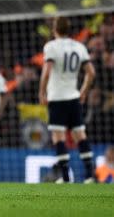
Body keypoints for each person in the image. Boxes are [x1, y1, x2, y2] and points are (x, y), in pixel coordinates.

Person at [39, 17, 96, 183]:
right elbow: (91, 72)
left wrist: (42, 92)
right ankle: (90, 176)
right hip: (73, 96)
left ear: (54, 29)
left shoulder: (51, 46)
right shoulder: (79, 46)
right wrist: (83, 91)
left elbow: (47, 71)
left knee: (58, 136)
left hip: (57, 97)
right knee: (80, 134)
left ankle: (65, 178)